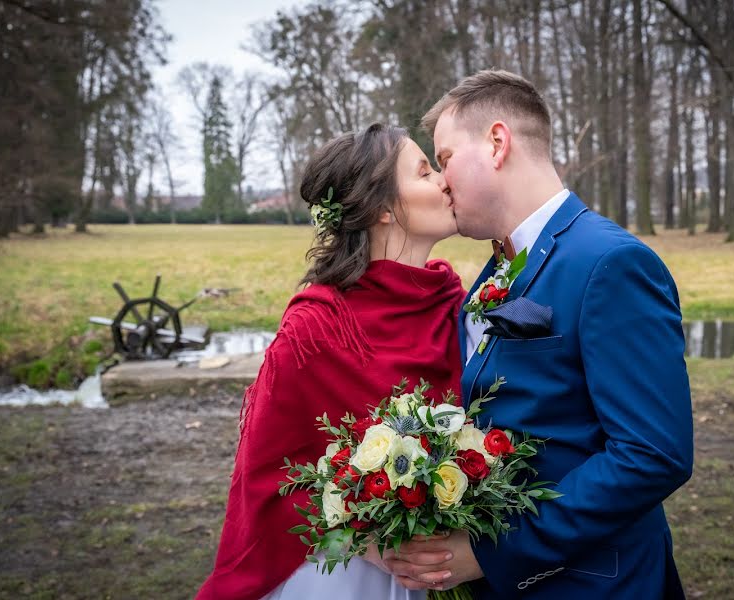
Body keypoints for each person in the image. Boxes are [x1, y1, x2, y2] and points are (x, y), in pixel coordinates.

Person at [383, 70, 694, 599]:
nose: (440, 179)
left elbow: (652, 454)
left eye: (446, 157)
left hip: (594, 585)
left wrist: (491, 551)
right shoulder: (495, 270)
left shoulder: (610, 263)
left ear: (498, 143)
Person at [195, 123, 465, 600]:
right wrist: (368, 540)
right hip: (339, 572)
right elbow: (269, 473)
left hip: (443, 571)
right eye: (425, 172)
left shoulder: (455, 307)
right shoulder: (315, 329)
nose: (445, 179)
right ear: (382, 208)